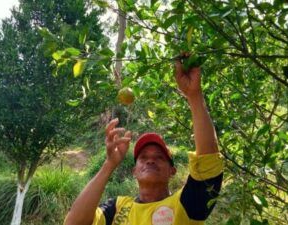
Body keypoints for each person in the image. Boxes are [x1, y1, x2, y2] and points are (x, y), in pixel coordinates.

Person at [64, 57, 223, 225]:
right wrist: (109, 164)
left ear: (172, 171)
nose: (150, 160)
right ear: (134, 171)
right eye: (143, 157)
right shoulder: (116, 207)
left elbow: (208, 163)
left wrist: (194, 95)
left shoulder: (185, 205)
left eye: (160, 157)